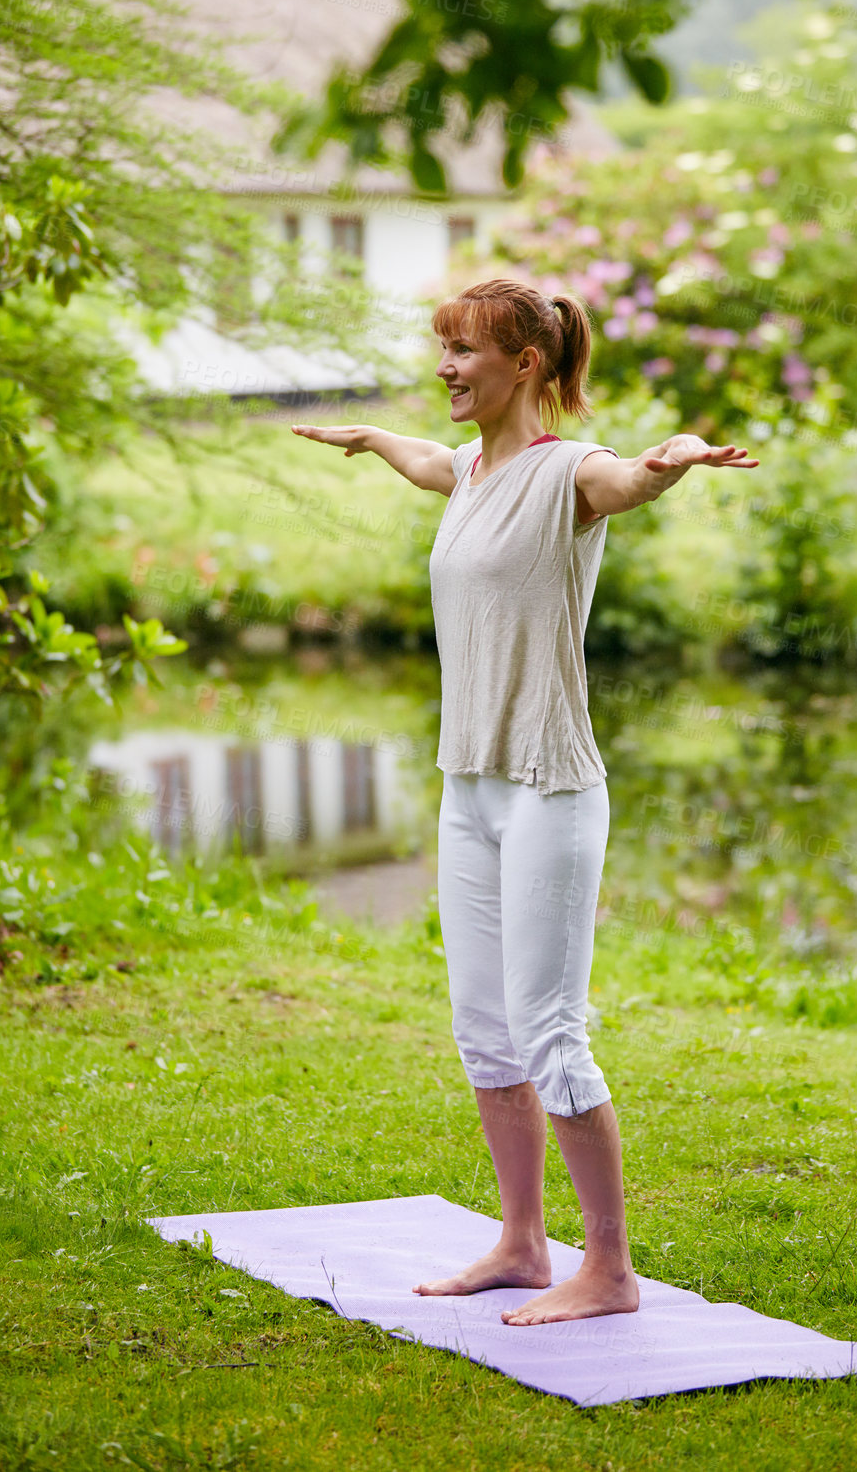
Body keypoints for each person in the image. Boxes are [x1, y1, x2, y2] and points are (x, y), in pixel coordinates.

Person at [293, 277, 759, 1326]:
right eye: (442, 349)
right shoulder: (464, 467)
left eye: (464, 351)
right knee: (483, 1031)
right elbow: (427, 461)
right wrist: (370, 436)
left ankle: (608, 1269)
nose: (447, 367)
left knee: (549, 1030)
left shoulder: (568, 476)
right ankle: (517, 1242)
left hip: (549, 787)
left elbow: (633, 478)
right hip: (471, 790)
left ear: (526, 366)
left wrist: (677, 451)